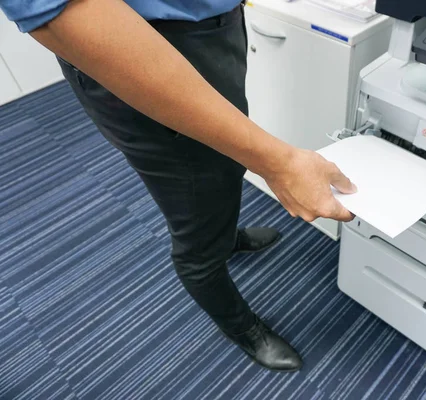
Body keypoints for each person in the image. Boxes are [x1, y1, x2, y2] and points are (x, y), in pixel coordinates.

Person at [0, 0, 356, 373]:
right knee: (195, 215)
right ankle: (239, 325)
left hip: (214, 27)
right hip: (142, 49)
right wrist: (278, 164)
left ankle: (225, 236)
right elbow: (57, 15)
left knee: (223, 169)